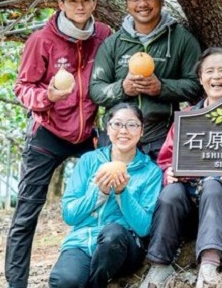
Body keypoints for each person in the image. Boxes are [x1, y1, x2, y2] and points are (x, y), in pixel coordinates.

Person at [5, 0, 112, 288]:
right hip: (47, 133)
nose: (80, 5)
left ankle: (106, 264)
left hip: (87, 133)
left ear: (94, 4)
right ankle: (16, 284)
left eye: (86, 0)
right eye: (72, 0)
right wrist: (47, 97)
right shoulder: (42, 40)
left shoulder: (103, 35)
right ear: (60, 4)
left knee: (116, 182)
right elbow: (22, 87)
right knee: (27, 211)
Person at [141, 48, 222, 288]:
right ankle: (159, 266)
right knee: (169, 194)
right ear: (200, 79)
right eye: (209, 71)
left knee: (213, 184)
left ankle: (209, 265)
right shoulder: (187, 117)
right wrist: (170, 172)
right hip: (187, 206)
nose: (215, 77)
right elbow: (166, 159)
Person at [90, 0, 202, 162]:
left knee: (162, 191)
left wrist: (162, 87)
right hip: (118, 137)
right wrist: (121, 88)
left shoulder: (181, 39)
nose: (142, 4)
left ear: (161, 0)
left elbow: (196, 84)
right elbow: (96, 89)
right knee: (114, 187)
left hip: (162, 137)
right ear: (127, 4)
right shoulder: (113, 43)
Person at [48, 103, 162, 288]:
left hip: (123, 247)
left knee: (113, 233)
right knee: (64, 281)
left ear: (142, 131)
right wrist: (99, 192)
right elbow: (69, 215)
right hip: (82, 242)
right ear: (108, 129)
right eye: (117, 124)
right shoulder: (88, 161)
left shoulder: (151, 172)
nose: (123, 130)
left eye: (132, 125)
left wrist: (121, 192)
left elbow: (144, 228)